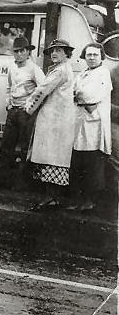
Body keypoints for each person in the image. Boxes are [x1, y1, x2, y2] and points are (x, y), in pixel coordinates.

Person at [25, 39, 76, 211]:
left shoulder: (59, 71)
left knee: (50, 157)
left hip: (54, 121)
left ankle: (51, 198)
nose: (54, 53)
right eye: (52, 50)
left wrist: (28, 108)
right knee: (53, 158)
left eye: (59, 50)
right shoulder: (63, 68)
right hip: (59, 119)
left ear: (66, 53)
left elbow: (42, 90)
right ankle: (53, 197)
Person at [0, 36, 45, 188]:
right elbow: (9, 87)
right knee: (6, 147)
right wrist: (8, 103)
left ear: (28, 52)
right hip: (13, 112)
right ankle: (2, 181)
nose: (19, 54)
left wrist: (30, 106)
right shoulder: (12, 67)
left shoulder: (34, 69)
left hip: (25, 114)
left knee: (25, 149)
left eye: (22, 51)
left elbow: (43, 89)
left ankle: (23, 184)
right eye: (16, 51)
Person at [69, 43, 112, 211]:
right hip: (81, 121)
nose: (92, 58)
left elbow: (90, 95)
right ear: (84, 57)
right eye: (89, 55)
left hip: (95, 124)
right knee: (79, 160)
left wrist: (80, 96)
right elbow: (72, 91)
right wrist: (80, 96)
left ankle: (91, 201)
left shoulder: (103, 73)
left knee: (93, 162)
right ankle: (78, 199)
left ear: (101, 57)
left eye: (95, 55)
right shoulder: (83, 73)